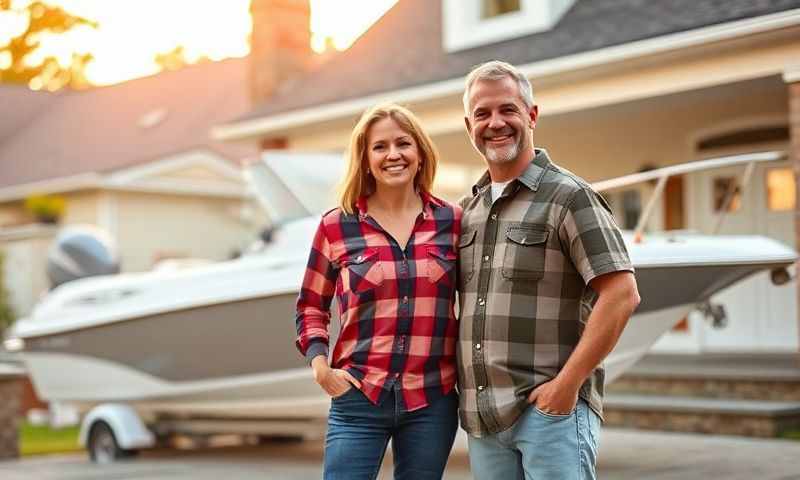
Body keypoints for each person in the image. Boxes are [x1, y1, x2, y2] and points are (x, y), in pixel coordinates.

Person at [457, 60, 641, 479]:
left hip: (550, 414)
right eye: (482, 114)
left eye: (508, 109)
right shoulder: (468, 212)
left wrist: (566, 386)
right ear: (470, 126)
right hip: (484, 421)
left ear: (532, 115)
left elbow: (621, 295)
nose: (495, 122)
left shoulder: (571, 197)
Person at [295, 103, 461, 480]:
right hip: (358, 396)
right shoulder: (336, 226)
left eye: (403, 143)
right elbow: (310, 305)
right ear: (365, 159)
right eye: (380, 147)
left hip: (432, 398)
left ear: (420, 153)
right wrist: (321, 367)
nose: (393, 155)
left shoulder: (453, 221)